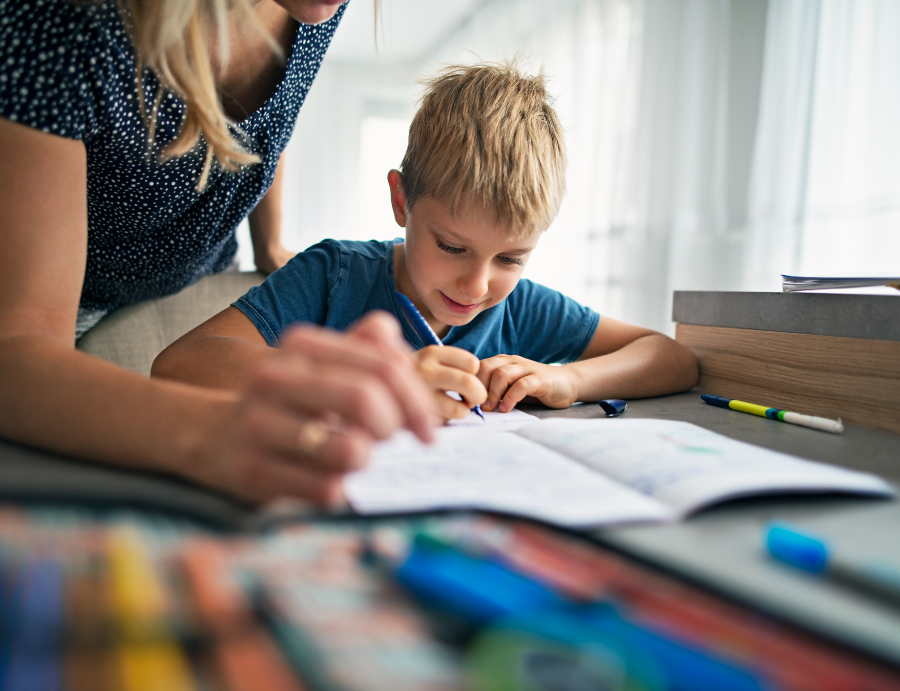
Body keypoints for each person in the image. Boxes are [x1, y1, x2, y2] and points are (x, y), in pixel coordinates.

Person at [0, 0, 437, 507]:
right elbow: (17, 353)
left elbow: (275, 119)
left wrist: (269, 239)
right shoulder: (62, 22)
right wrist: (211, 435)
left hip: (188, 269)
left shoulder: (316, 11)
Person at [152, 62, 699, 420]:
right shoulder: (335, 275)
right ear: (401, 202)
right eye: (453, 247)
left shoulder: (520, 308)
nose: (478, 284)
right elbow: (182, 364)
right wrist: (366, 381)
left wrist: (569, 379)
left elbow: (670, 357)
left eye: (511, 257)